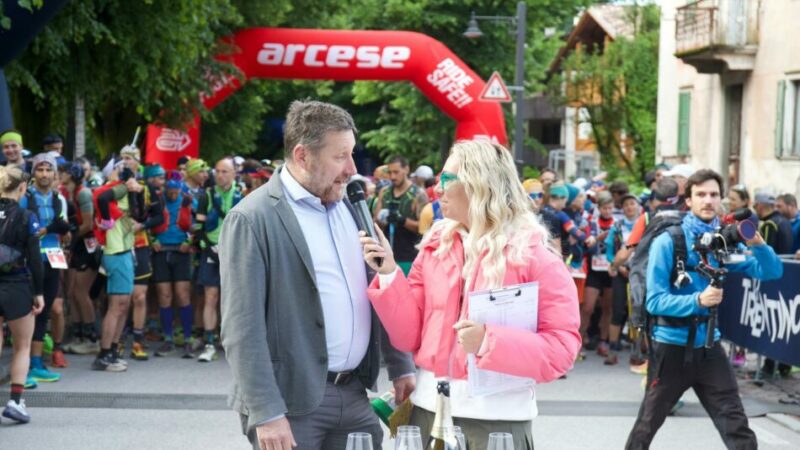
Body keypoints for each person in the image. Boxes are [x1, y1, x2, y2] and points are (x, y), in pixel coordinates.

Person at [219, 100, 414, 450]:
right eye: (340, 157)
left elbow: (378, 284)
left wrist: (402, 365)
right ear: (302, 155)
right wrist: (266, 412)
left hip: (356, 394)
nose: (352, 169)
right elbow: (241, 328)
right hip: (289, 405)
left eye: (352, 154)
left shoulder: (354, 207)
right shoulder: (251, 218)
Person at [360, 140, 580, 449]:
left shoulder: (534, 256)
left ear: (480, 185)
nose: (437, 189)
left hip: (497, 423)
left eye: (448, 179)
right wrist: (389, 273)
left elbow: (562, 350)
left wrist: (489, 342)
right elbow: (407, 336)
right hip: (427, 413)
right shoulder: (436, 245)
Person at [625, 169, 783, 449]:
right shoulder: (668, 241)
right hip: (670, 348)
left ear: (721, 199)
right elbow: (654, 301)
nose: (708, 200)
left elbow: (771, 271)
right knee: (647, 426)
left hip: (710, 347)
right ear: (689, 200)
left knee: (737, 426)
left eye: (713, 194)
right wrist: (697, 300)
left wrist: (758, 243)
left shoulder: (721, 241)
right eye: (700, 195)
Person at [20, 153, 71, 384]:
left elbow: (64, 227)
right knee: (29, 310)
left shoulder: (58, 198)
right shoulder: (25, 197)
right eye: (39, 170)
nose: (44, 174)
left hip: (53, 257)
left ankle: (38, 362)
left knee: (46, 309)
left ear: (54, 174)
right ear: (34, 173)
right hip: (30, 259)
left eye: (48, 170)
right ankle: (24, 365)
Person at [0, 165, 45, 424]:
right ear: (22, 188)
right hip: (17, 285)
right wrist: (39, 292)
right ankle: (16, 402)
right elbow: (35, 260)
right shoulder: (27, 216)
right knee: (22, 346)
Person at [92, 163, 143, 372]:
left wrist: (137, 192)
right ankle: (104, 354)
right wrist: (106, 219)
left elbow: (140, 215)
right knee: (117, 306)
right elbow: (103, 199)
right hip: (115, 252)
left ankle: (112, 350)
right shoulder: (111, 189)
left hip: (125, 251)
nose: (125, 173)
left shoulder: (123, 190)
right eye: (120, 169)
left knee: (124, 305)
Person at [195, 157, 242, 363]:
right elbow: (198, 229)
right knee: (211, 297)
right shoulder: (206, 196)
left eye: (225, 171)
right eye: (218, 171)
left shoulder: (241, 195)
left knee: (231, 299)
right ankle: (208, 343)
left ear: (234, 173)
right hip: (211, 252)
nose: (220, 175)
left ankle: (231, 341)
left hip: (233, 253)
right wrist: (211, 249)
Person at [151, 170, 195, 358]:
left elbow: (198, 223)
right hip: (161, 251)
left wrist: (189, 241)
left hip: (181, 251)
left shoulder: (188, 200)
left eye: (176, 191)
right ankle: (168, 338)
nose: (173, 194)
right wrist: (152, 238)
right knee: (164, 295)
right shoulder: (156, 200)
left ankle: (187, 339)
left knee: (182, 294)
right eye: (170, 190)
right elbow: (146, 221)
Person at [753, 190, 793, 378]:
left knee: (772, 323)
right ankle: (783, 364)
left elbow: (765, 251)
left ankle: (770, 365)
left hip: (774, 277)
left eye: (755, 206)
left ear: (761, 206)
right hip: (787, 277)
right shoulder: (784, 221)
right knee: (784, 324)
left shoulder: (770, 224)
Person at [62, 162, 100, 356]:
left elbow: (87, 224)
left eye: (63, 172)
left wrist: (70, 237)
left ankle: (92, 339)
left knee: (80, 292)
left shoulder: (83, 193)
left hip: (88, 246)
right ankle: (79, 337)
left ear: (71, 175)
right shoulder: (71, 192)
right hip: (79, 244)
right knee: (73, 293)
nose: (60, 175)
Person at [373, 155, 429, 275]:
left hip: (409, 258)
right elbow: (375, 221)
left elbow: (425, 228)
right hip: (387, 256)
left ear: (406, 170)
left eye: (396, 172)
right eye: (390, 172)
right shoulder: (385, 192)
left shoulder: (418, 194)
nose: (392, 176)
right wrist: (382, 219)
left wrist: (402, 221)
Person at [604, 193, 641, 365]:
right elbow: (610, 250)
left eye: (632, 203)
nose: (629, 207)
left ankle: (638, 351)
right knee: (617, 310)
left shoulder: (645, 224)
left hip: (639, 274)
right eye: (626, 205)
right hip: (620, 273)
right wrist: (617, 266)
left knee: (638, 311)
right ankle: (613, 349)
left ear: (637, 206)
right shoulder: (616, 226)